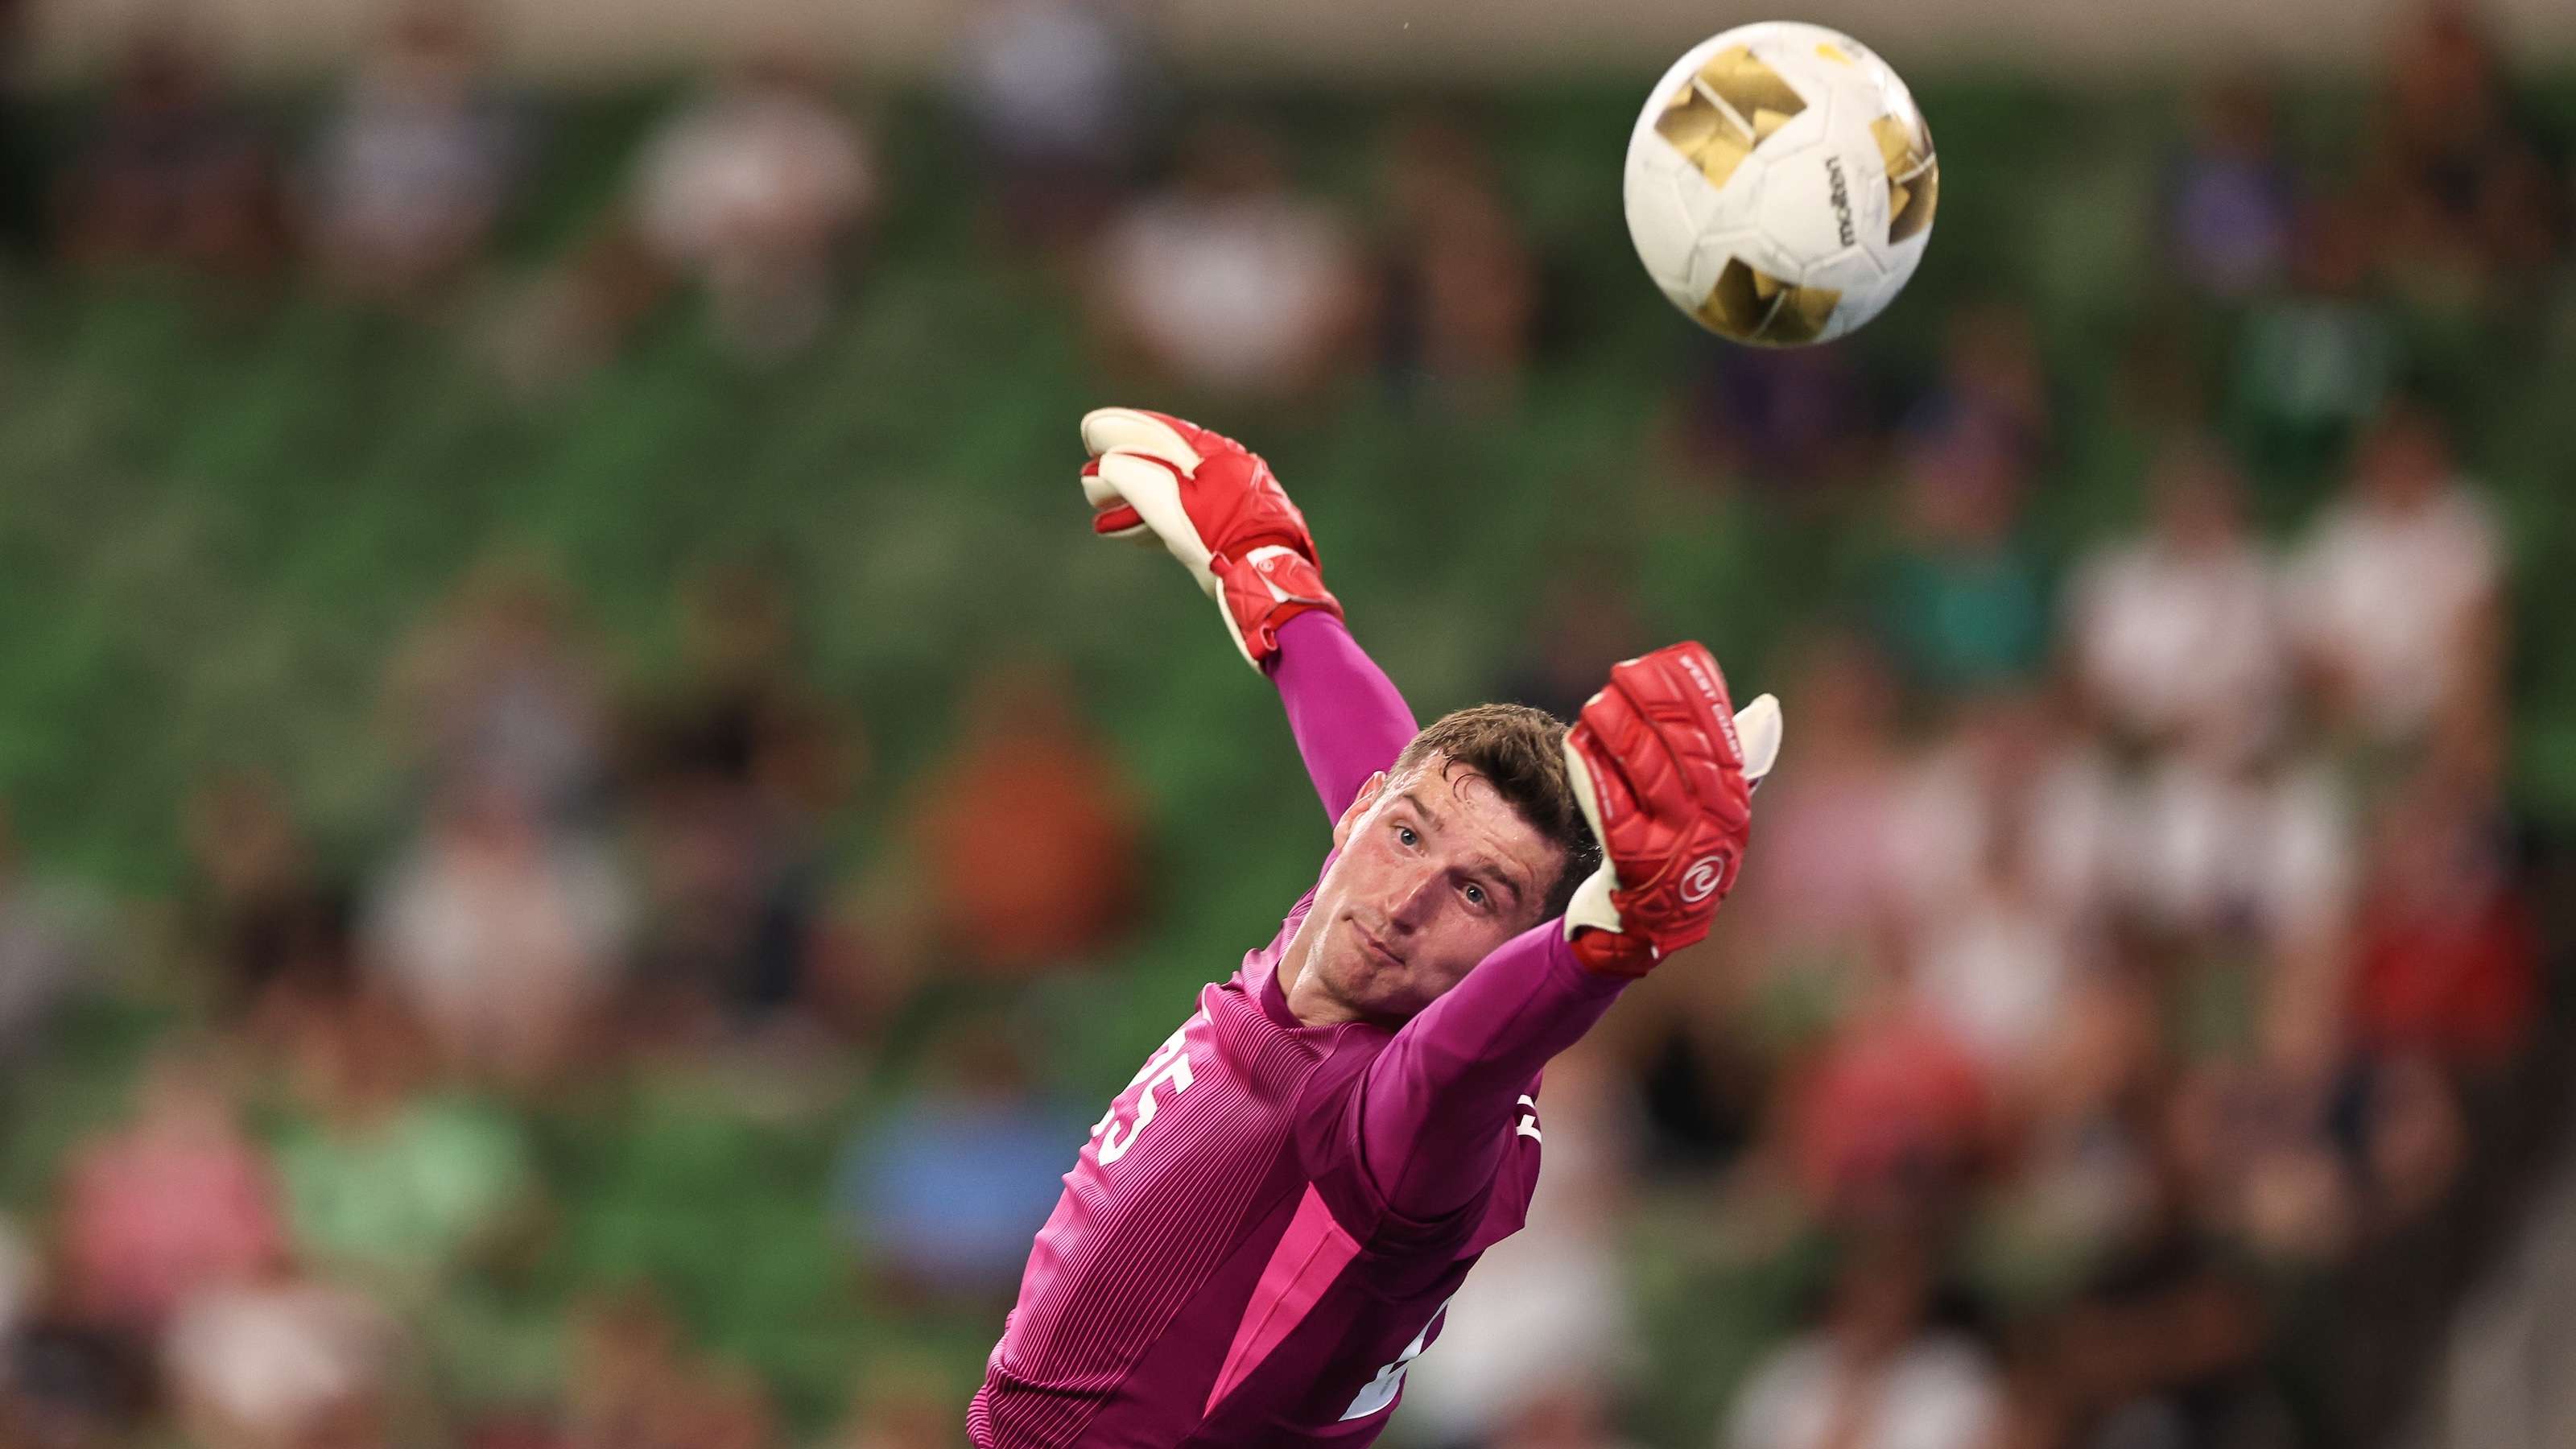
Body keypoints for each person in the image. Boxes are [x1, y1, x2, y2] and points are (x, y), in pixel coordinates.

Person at [968, 409, 1782, 1445]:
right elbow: (1369, 741)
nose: (1408, 900)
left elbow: (1462, 1060)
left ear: (1513, 949)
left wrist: (1613, 937)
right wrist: (1264, 569)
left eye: (1479, 896)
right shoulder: (1362, 913)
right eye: (1404, 836)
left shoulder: (1390, 1130)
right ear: (1360, 816)